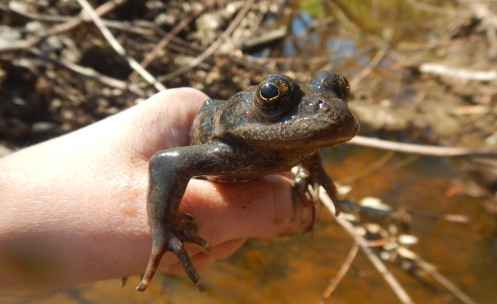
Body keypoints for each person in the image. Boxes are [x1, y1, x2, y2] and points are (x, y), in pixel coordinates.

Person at [0, 88, 315, 289]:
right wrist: (163, 228)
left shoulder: (296, 136)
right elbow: (167, 163)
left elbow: (311, 138)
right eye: (273, 98)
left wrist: (313, 168)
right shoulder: (228, 147)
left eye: (339, 91)